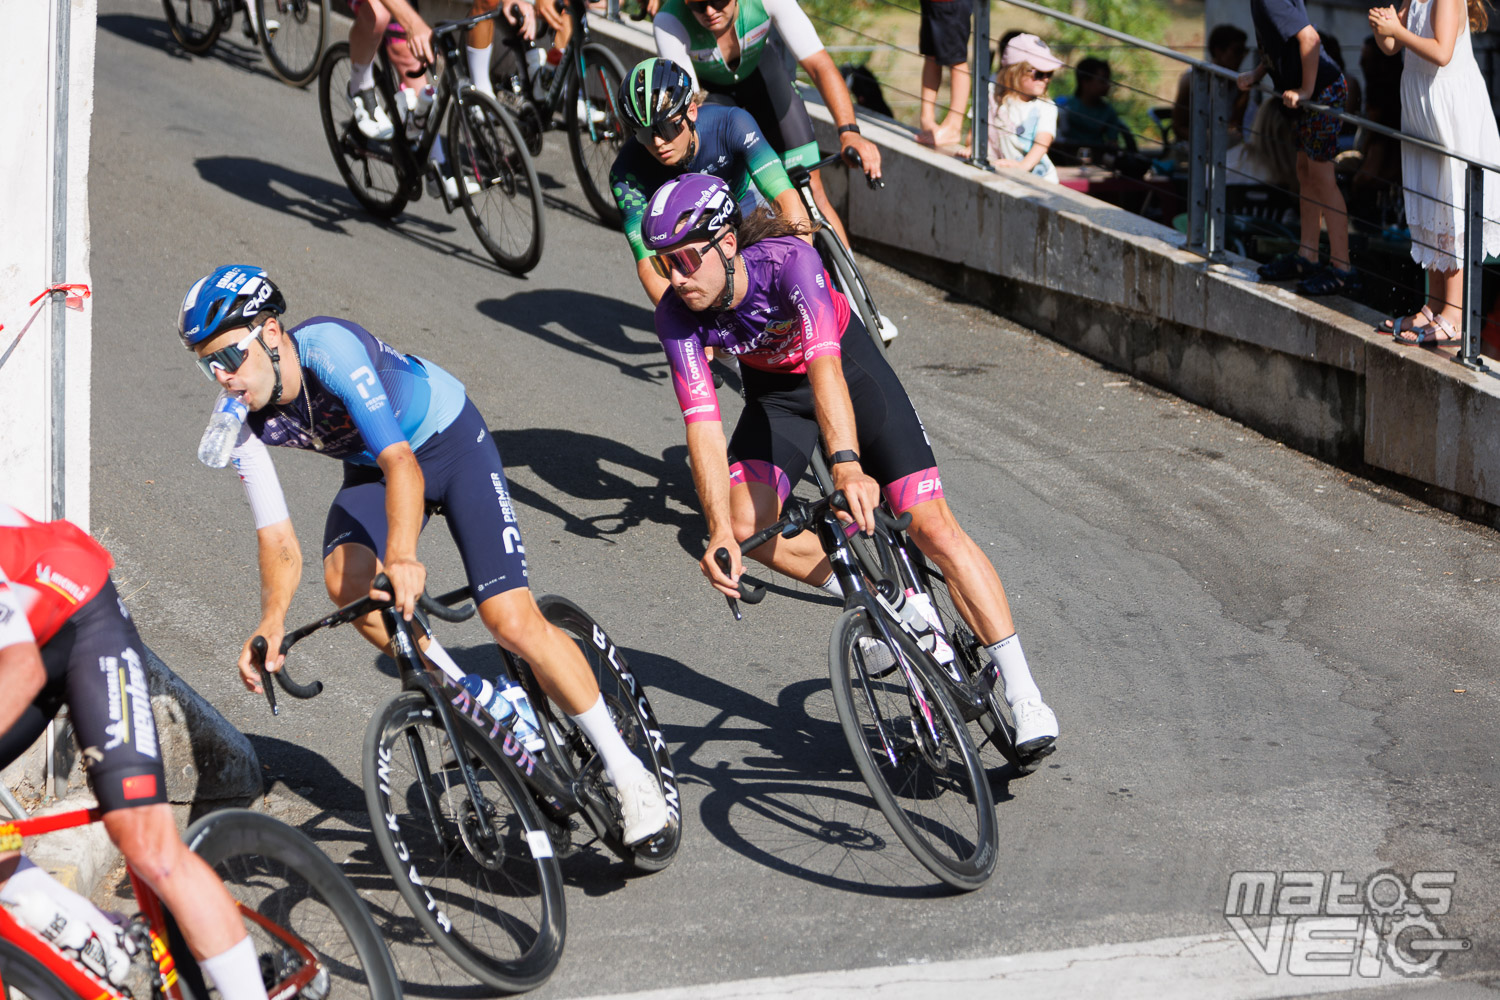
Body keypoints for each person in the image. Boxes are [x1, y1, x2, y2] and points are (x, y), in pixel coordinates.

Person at [174, 266, 669, 844]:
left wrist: (403, 554)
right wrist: (272, 620)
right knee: (348, 583)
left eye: (230, 356)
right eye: (207, 364)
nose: (223, 377)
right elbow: (278, 540)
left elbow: (402, 462)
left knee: (509, 618)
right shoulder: (238, 424)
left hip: (447, 443)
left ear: (271, 331)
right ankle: (480, 698)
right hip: (373, 466)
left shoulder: (329, 350)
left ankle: (629, 770)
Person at [644, 173, 1061, 759]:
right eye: (665, 265)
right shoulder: (677, 315)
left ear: (727, 243)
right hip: (775, 397)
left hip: (846, 369)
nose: (677, 277)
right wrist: (716, 531)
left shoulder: (790, 261)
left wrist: (846, 466)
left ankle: (1023, 692)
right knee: (745, 525)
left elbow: (825, 371)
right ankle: (888, 604)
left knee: (930, 525)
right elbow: (702, 426)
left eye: (686, 259)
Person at [0, 504, 271, 1000]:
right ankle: (102, 940)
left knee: (146, 843)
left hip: (79, 618)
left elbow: (20, 669)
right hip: (22, 646)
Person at [651, 0, 883, 252]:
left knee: (813, 193)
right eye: (697, 4)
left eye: (718, 0)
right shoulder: (669, 21)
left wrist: (849, 132)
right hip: (714, 102)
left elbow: (819, 65)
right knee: (741, 206)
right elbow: (690, 109)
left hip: (766, 86)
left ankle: (851, 289)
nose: (709, 11)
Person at [611, 57, 811, 305]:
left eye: (668, 128)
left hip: (743, 206)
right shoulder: (626, 173)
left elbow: (784, 197)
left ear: (691, 111)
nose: (658, 142)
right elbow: (647, 265)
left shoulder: (732, 123)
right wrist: (685, 323)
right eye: (643, 133)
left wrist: (805, 271)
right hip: (688, 238)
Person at [1370, 0, 1500, 343]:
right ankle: (1434, 305)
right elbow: (1392, 45)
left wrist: (1397, 31)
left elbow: (1442, 52)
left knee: (1451, 203)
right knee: (1431, 201)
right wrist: (1384, 29)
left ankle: (1454, 315)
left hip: (1449, 112)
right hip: (1423, 111)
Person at [1239, 0, 1355, 296]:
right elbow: (1280, 45)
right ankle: (1308, 255)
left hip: (1321, 95)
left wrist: (1305, 89)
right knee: (1305, 173)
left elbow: (1309, 38)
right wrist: (1257, 73)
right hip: (1311, 96)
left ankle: (1341, 269)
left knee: (1322, 179)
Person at [987, 33, 1061, 183]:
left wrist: (1023, 166)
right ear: (1014, 72)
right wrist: (972, 147)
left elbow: (1042, 143)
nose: (1045, 79)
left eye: (1049, 74)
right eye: (1039, 73)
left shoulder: (1046, 107)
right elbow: (977, 129)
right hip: (1007, 173)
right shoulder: (992, 95)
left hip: (1040, 181)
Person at [1173, 25, 1250, 147]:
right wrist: (1205, 139)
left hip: (1225, 148)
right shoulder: (1191, 81)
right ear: (1218, 51)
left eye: (1245, 51)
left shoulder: (1241, 85)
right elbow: (1178, 127)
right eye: (1237, 51)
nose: (1242, 57)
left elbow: (1235, 125)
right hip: (1194, 148)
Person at [916, 0, 971, 150]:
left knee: (956, 61)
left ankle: (954, 126)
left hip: (951, 4)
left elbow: (959, 63)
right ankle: (926, 119)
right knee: (931, 55)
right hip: (934, 3)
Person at [1056, 57, 1137, 158]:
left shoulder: (1108, 111)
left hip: (1096, 159)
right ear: (1085, 82)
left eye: (1108, 80)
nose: (1107, 85)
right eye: (1103, 80)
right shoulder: (1064, 106)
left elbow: (1113, 143)